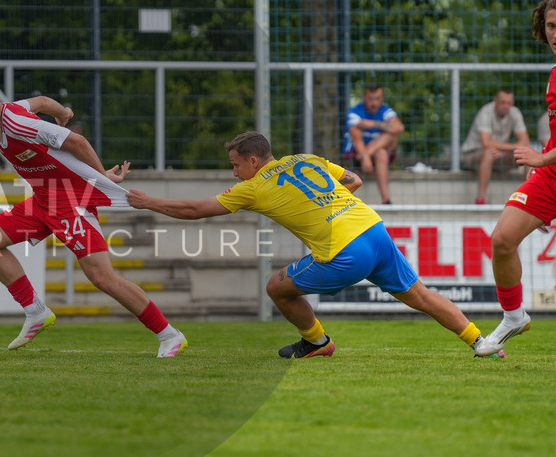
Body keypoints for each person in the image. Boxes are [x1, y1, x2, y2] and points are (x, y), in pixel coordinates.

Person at [127, 131, 500, 359]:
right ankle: (480, 342)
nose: (233, 173)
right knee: (420, 294)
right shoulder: (306, 159)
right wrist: (323, 205)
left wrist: (150, 203)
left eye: (236, 165)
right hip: (373, 229)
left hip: (345, 251)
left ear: (254, 161)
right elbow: (353, 179)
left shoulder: (253, 187)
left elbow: (195, 209)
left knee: (276, 287)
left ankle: (317, 341)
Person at [0, 64, 187, 357]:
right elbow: (39, 102)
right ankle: (36, 311)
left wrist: (101, 177)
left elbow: (77, 141)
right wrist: (62, 112)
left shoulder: (15, 123)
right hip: (43, 200)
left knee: (103, 278)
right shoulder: (2, 115)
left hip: (70, 202)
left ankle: (169, 334)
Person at [474, 0, 556, 355]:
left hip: (548, 164)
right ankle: (513, 316)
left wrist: (541, 159)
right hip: (550, 174)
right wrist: (537, 174)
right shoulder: (555, 73)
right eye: (552, 26)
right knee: (502, 240)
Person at [460, 88, 529, 204]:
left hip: (499, 155)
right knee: (488, 152)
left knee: (527, 153)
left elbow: (525, 142)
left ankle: (528, 197)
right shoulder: (486, 112)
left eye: (509, 103)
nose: (506, 106)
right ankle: (480, 199)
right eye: (503, 102)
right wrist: (512, 146)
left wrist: (502, 151)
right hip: (473, 154)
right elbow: (486, 143)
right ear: (495, 101)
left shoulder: (515, 112)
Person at [342, 83, 405, 204]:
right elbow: (357, 139)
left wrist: (373, 124)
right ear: (364, 98)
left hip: (373, 155)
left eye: (377, 98)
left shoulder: (385, 111)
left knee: (388, 140)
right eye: (371, 98)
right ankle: (386, 199)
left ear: (382, 98)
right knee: (385, 145)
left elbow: (399, 127)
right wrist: (365, 157)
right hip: (357, 155)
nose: (374, 103)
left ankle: (386, 200)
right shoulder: (355, 112)